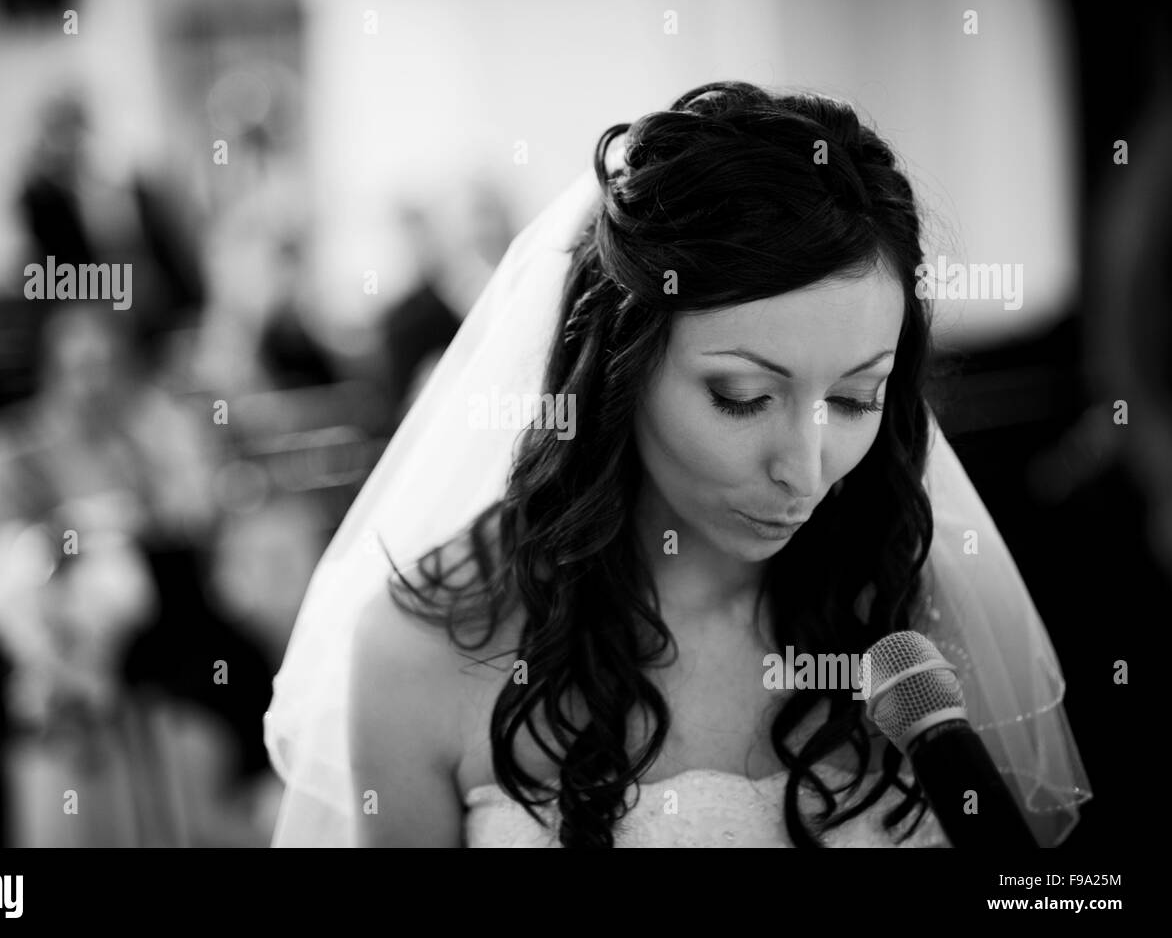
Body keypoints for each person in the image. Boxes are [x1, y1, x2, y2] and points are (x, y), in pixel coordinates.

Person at [265, 82, 1090, 847]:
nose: (804, 472)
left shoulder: (922, 602)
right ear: (619, 368)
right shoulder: (422, 648)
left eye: (853, 399)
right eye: (740, 396)